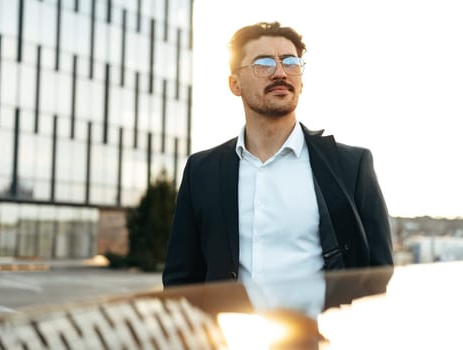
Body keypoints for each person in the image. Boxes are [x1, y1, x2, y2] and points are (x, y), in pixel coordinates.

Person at [163, 22, 393, 287]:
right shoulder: (201, 171)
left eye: (290, 62)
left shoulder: (351, 166)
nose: (281, 73)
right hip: (230, 327)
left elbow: (379, 270)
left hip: (321, 327)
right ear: (235, 84)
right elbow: (180, 279)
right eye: (263, 63)